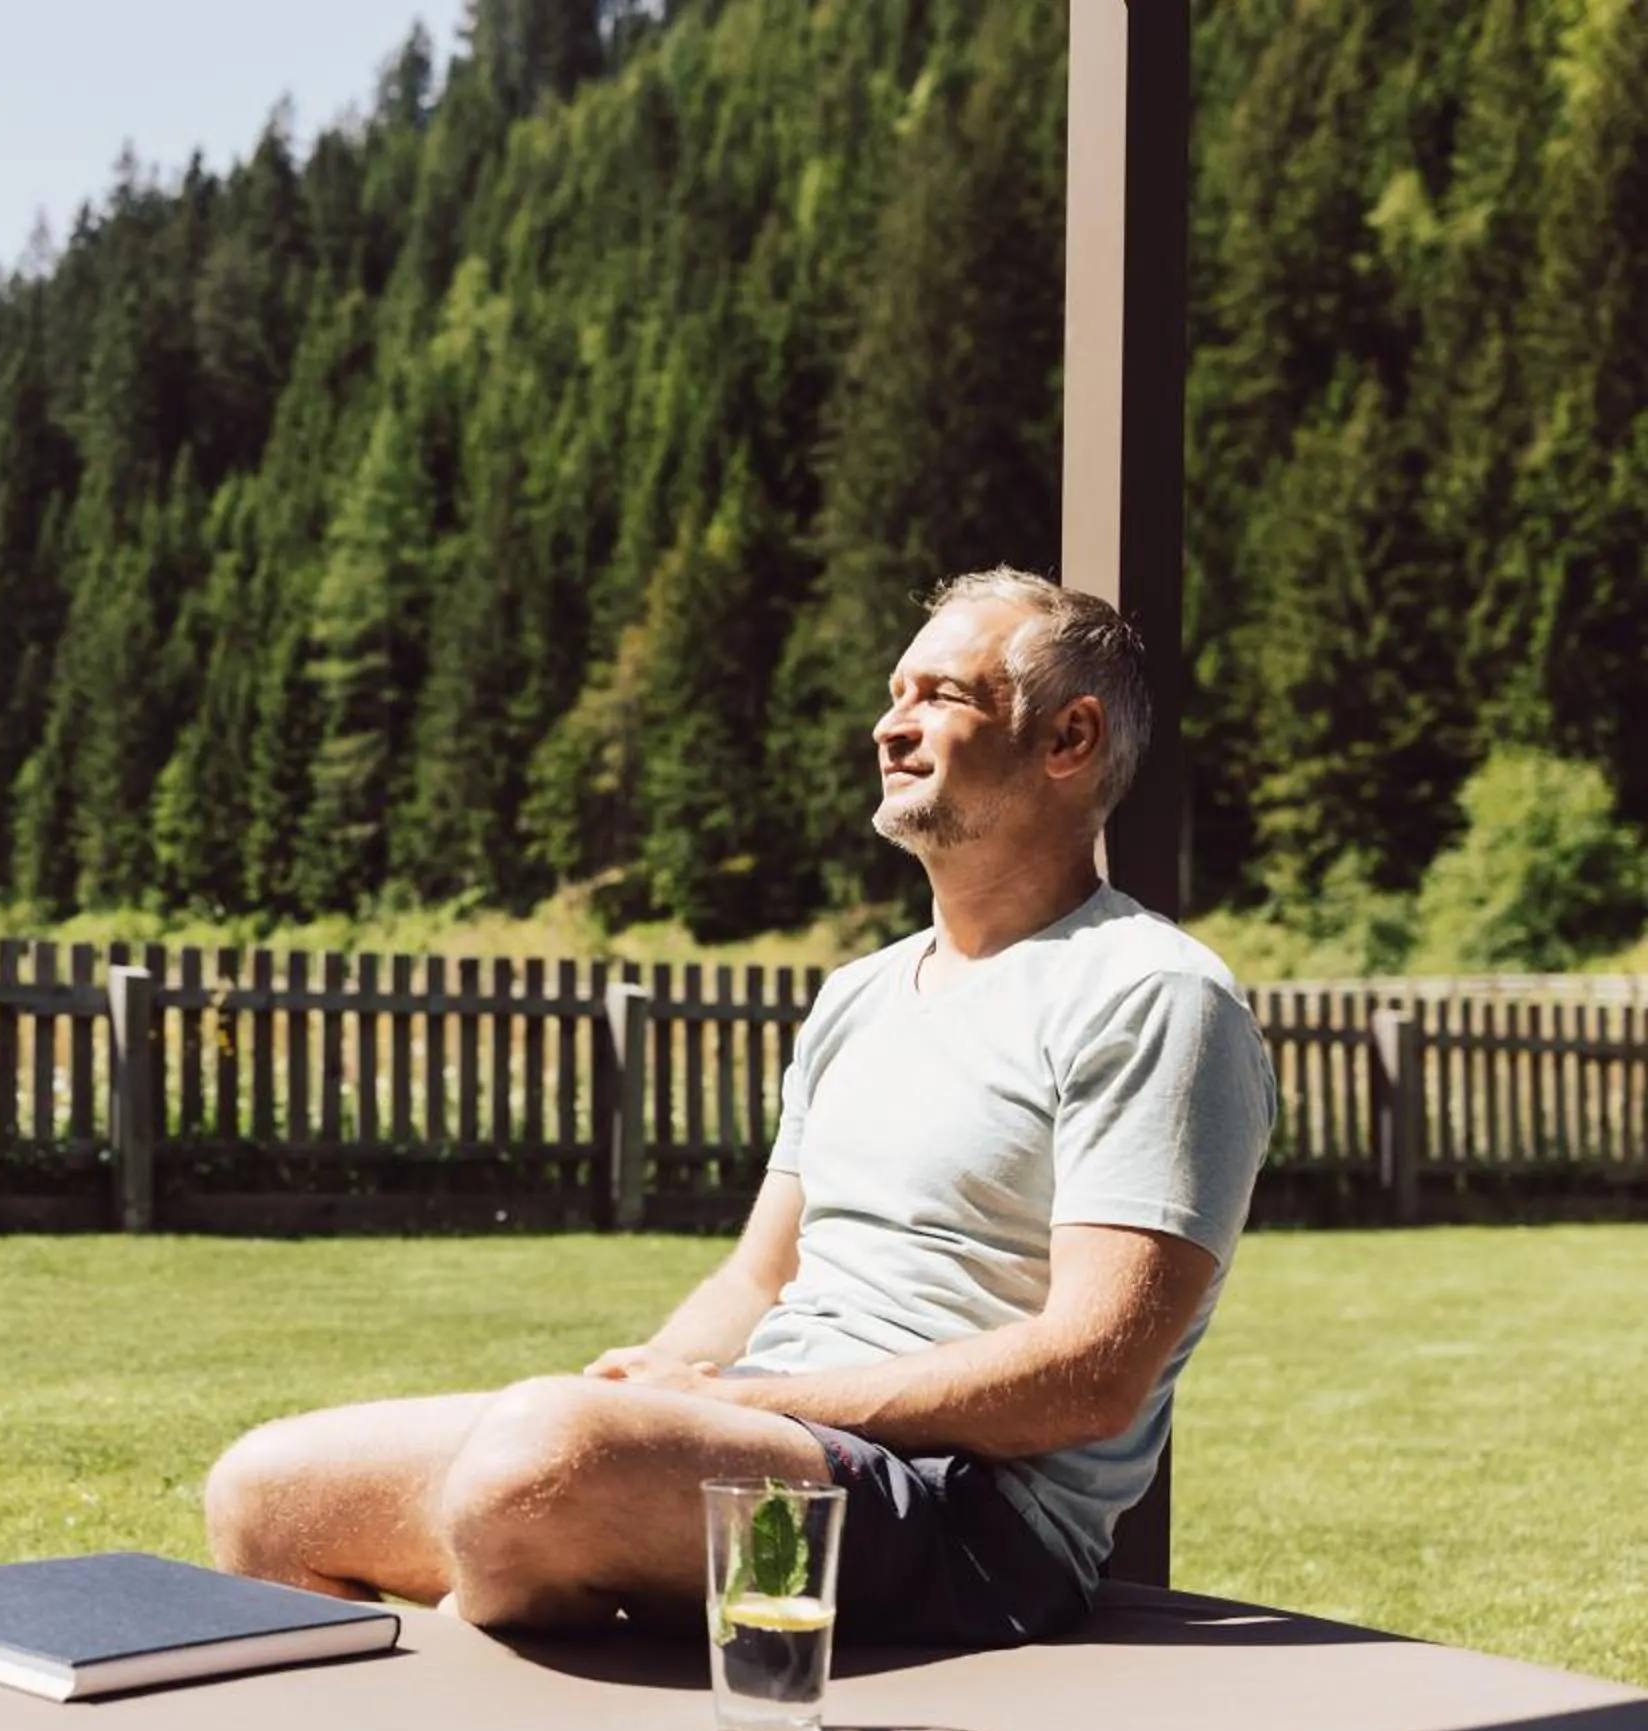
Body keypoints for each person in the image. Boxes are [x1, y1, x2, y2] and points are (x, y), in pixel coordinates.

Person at [204, 568, 1275, 1646]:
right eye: (894, 693)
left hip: (968, 1517)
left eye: (941, 696)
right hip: (784, 1438)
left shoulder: (1151, 995)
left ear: (1068, 738)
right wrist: (644, 1391)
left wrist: (720, 1410)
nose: (889, 725)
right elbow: (761, 1277)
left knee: (536, 1465)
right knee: (267, 1490)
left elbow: (1091, 1378)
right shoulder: (860, 996)